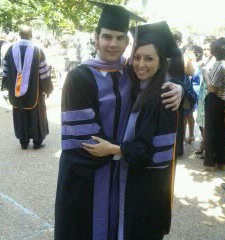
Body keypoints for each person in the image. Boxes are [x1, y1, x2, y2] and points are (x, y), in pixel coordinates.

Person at [54, 2, 183, 240]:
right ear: (96, 38)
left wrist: (180, 89)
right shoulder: (80, 77)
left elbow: (158, 79)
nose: (113, 44)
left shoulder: (131, 72)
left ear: (127, 43)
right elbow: (84, 142)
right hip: (88, 179)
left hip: (124, 175)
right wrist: (127, 152)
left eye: (120, 38)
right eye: (107, 37)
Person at [83, 21, 178, 240]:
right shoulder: (137, 88)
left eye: (149, 58)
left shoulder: (163, 97)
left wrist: (112, 149)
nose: (140, 64)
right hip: (135, 182)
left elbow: (147, 153)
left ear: (161, 61)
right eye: (137, 57)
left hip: (148, 187)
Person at [1, 26, 53, 149]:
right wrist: (47, 88)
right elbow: (44, 73)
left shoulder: (10, 50)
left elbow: (5, 71)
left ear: (19, 35)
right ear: (31, 35)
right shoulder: (38, 51)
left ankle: (23, 141)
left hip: (16, 90)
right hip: (35, 91)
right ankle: (37, 141)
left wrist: (8, 87)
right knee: (36, 114)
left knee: (20, 112)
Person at [204, 37, 225, 171]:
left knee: (210, 131)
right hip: (224, 102)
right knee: (222, 132)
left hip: (214, 100)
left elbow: (212, 87)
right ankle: (222, 162)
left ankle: (210, 163)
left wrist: (206, 75)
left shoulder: (219, 65)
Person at [195, 36, 216, 157]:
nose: (206, 51)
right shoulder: (206, 59)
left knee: (207, 120)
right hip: (203, 91)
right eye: (204, 48)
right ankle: (204, 143)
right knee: (201, 120)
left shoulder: (215, 61)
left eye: (208, 48)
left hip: (209, 91)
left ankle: (207, 146)